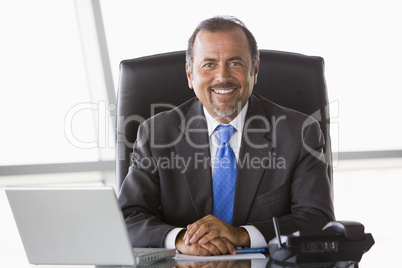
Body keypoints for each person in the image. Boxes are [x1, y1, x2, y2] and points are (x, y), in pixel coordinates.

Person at [118, 16, 334, 256]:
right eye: (209, 64)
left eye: (235, 63)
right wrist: (181, 239)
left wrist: (240, 234)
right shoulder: (156, 133)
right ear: (190, 74)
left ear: (255, 70)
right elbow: (127, 218)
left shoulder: (299, 133)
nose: (222, 77)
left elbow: (317, 220)